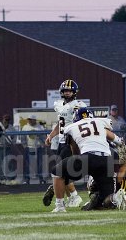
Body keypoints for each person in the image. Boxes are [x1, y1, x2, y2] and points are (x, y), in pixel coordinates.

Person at [51, 107, 118, 212]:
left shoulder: (71, 127)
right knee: (107, 200)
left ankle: (60, 206)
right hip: (106, 160)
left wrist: (77, 162)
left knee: (57, 171)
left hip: (87, 157)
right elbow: (117, 140)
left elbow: (74, 149)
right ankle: (114, 200)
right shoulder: (101, 122)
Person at [43, 79, 87, 207]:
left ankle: (74, 196)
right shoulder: (59, 104)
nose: (67, 93)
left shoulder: (78, 105)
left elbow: (83, 122)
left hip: (71, 141)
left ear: (74, 92)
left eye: (69, 91)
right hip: (61, 141)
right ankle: (72, 197)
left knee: (60, 171)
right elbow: (60, 123)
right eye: (65, 90)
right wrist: (51, 135)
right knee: (62, 171)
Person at [22, 115, 46, 184]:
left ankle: (41, 179)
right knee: (27, 164)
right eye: (29, 119)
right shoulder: (25, 127)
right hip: (28, 147)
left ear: (34, 120)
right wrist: (24, 145)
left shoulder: (40, 127)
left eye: (31, 119)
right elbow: (22, 137)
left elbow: (44, 137)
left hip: (38, 147)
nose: (29, 121)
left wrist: (42, 144)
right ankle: (26, 179)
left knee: (39, 163)